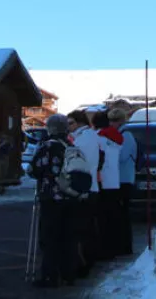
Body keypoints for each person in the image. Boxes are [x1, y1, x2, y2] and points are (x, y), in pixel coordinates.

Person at [27, 114, 77, 288]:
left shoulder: (46, 147)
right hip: (70, 196)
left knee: (50, 237)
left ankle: (50, 276)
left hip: (51, 197)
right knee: (67, 236)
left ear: (50, 128)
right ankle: (68, 273)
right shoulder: (70, 145)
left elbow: (33, 170)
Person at [66, 109, 103, 274]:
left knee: (82, 229)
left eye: (71, 123)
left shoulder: (83, 139)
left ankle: (84, 264)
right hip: (92, 185)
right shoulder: (92, 136)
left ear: (79, 122)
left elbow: (78, 162)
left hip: (84, 188)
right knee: (88, 227)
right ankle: (88, 260)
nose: (69, 127)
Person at [92, 111, 124, 260]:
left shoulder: (98, 137)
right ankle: (115, 248)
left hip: (101, 182)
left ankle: (104, 250)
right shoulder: (117, 137)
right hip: (114, 181)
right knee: (114, 218)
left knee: (102, 219)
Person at [110, 107, 137, 256]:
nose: (112, 123)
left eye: (114, 120)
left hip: (124, 179)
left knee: (123, 214)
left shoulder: (126, 136)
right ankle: (122, 245)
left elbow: (122, 157)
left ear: (121, 121)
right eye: (110, 120)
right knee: (120, 214)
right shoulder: (120, 134)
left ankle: (125, 247)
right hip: (120, 178)